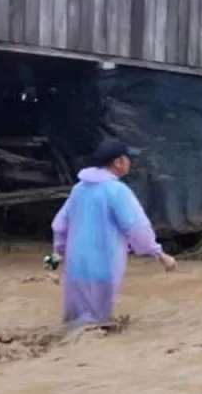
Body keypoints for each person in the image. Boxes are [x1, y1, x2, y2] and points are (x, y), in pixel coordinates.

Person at [51, 139, 176, 325]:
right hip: (103, 265)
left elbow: (60, 225)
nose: (130, 163)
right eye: (128, 159)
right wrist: (159, 253)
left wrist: (56, 254)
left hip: (75, 266)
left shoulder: (78, 189)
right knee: (96, 323)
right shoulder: (117, 191)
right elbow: (136, 227)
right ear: (118, 162)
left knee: (74, 320)